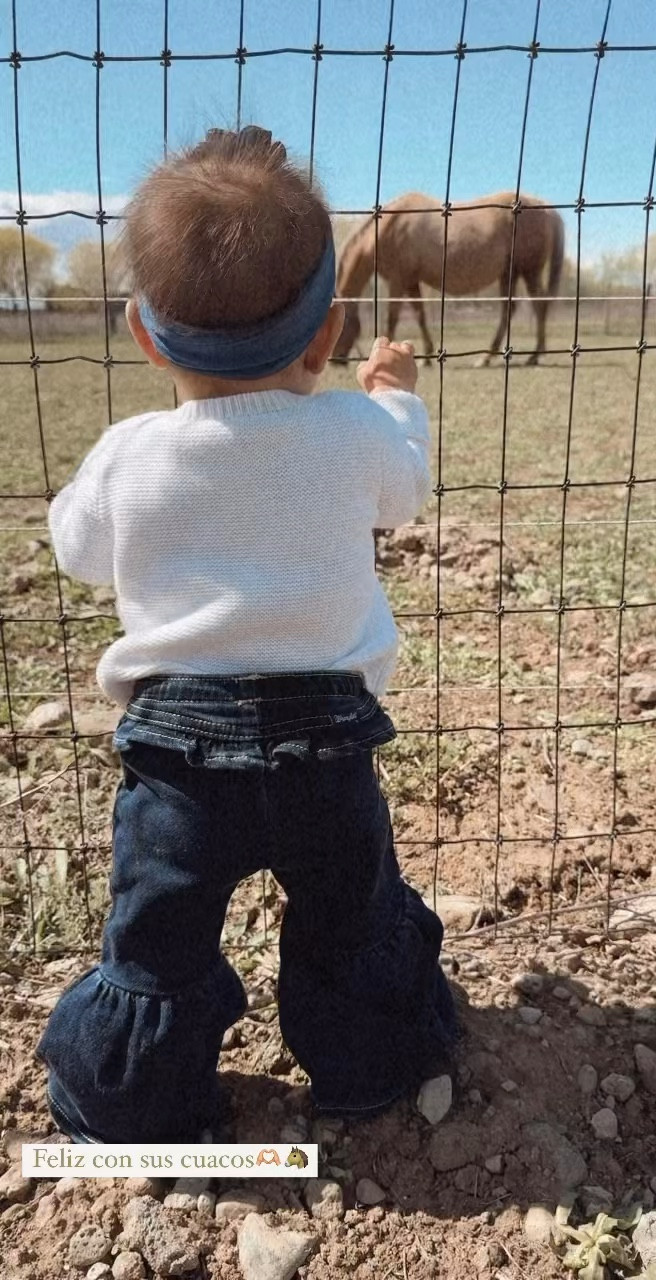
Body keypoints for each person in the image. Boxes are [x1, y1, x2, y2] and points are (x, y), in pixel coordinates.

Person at [37, 125, 457, 1144]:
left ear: (146, 335)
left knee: (157, 942)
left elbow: (77, 547)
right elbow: (404, 481)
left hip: (176, 766)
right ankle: (371, 1064)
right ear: (328, 334)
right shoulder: (349, 431)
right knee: (352, 920)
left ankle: (136, 1106)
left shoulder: (130, 452)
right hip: (330, 750)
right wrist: (394, 394)